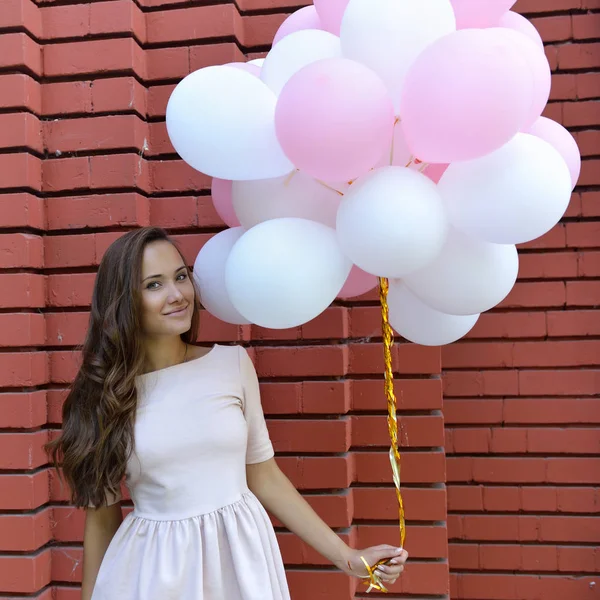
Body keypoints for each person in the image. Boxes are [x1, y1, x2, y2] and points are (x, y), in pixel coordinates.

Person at [47, 227, 408, 600]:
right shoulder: (106, 395)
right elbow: (102, 522)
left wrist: (346, 557)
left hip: (240, 558)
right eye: (153, 285)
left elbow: (264, 476)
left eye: (181, 276)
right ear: (124, 302)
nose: (177, 295)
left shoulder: (231, 364)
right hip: (154, 570)